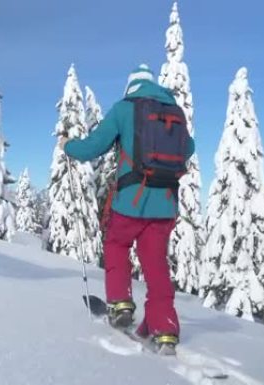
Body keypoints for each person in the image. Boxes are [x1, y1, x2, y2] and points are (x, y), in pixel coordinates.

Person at [59, 64, 194, 353]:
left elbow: (93, 147)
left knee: (117, 244)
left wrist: (68, 145)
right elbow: (189, 147)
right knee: (156, 265)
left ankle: (120, 304)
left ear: (130, 86)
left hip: (130, 202)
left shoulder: (124, 109)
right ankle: (165, 329)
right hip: (165, 206)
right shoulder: (175, 113)